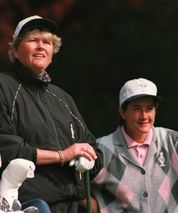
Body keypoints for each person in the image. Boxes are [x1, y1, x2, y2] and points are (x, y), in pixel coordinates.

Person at [0, 15, 103, 212]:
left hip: (71, 205)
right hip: (26, 204)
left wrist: (89, 157)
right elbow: (7, 147)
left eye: (47, 42)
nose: (41, 46)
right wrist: (62, 156)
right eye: (33, 40)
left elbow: (92, 148)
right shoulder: (3, 86)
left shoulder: (63, 98)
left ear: (52, 52)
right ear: (15, 50)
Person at [91, 78, 178, 213]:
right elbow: (67, 182)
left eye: (149, 108)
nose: (144, 116)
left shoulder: (172, 141)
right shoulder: (102, 148)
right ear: (122, 112)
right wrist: (95, 208)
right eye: (136, 108)